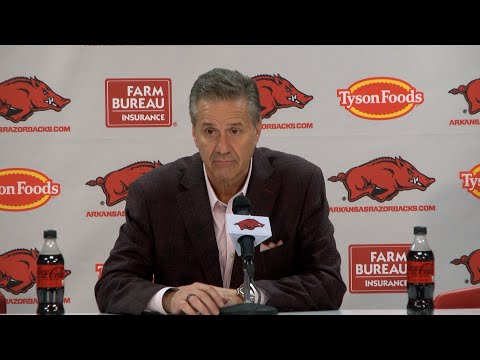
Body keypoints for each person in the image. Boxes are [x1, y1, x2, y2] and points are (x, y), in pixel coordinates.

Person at [95, 68, 346, 315]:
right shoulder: (153, 193)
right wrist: (170, 298)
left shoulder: (300, 183)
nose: (222, 147)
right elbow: (112, 284)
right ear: (194, 133)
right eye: (210, 132)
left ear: (257, 130)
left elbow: (328, 283)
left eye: (235, 131)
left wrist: (250, 295)